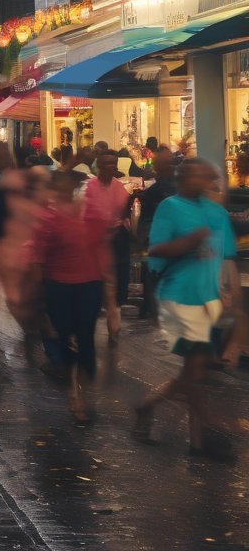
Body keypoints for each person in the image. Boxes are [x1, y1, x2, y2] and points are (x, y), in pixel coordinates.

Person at [133, 159, 238, 459]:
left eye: (207, 176)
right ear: (182, 178)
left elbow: (224, 257)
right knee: (196, 368)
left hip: (209, 298)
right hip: (179, 296)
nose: (205, 181)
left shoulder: (216, 211)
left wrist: (230, 297)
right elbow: (156, 251)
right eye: (197, 175)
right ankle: (201, 432)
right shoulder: (170, 207)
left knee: (194, 370)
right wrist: (190, 240)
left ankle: (150, 406)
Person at [31, 170, 109, 425]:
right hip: (58, 287)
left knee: (86, 338)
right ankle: (71, 383)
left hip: (90, 284)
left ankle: (79, 395)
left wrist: (109, 286)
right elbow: (37, 260)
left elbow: (102, 248)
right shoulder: (47, 218)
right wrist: (38, 301)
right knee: (65, 339)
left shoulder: (92, 213)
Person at [84, 150, 131, 346]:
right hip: (95, 244)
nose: (110, 167)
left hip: (117, 244)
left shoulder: (121, 189)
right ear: (99, 167)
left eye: (113, 163)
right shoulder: (90, 188)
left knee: (115, 291)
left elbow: (126, 214)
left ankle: (113, 331)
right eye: (106, 164)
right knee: (98, 288)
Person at [135, 146, 176, 322]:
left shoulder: (168, 184)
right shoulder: (169, 181)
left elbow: (159, 195)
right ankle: (154, 307)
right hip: (161, 232)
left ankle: (155, 308)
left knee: (153, 270)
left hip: (159, 231)